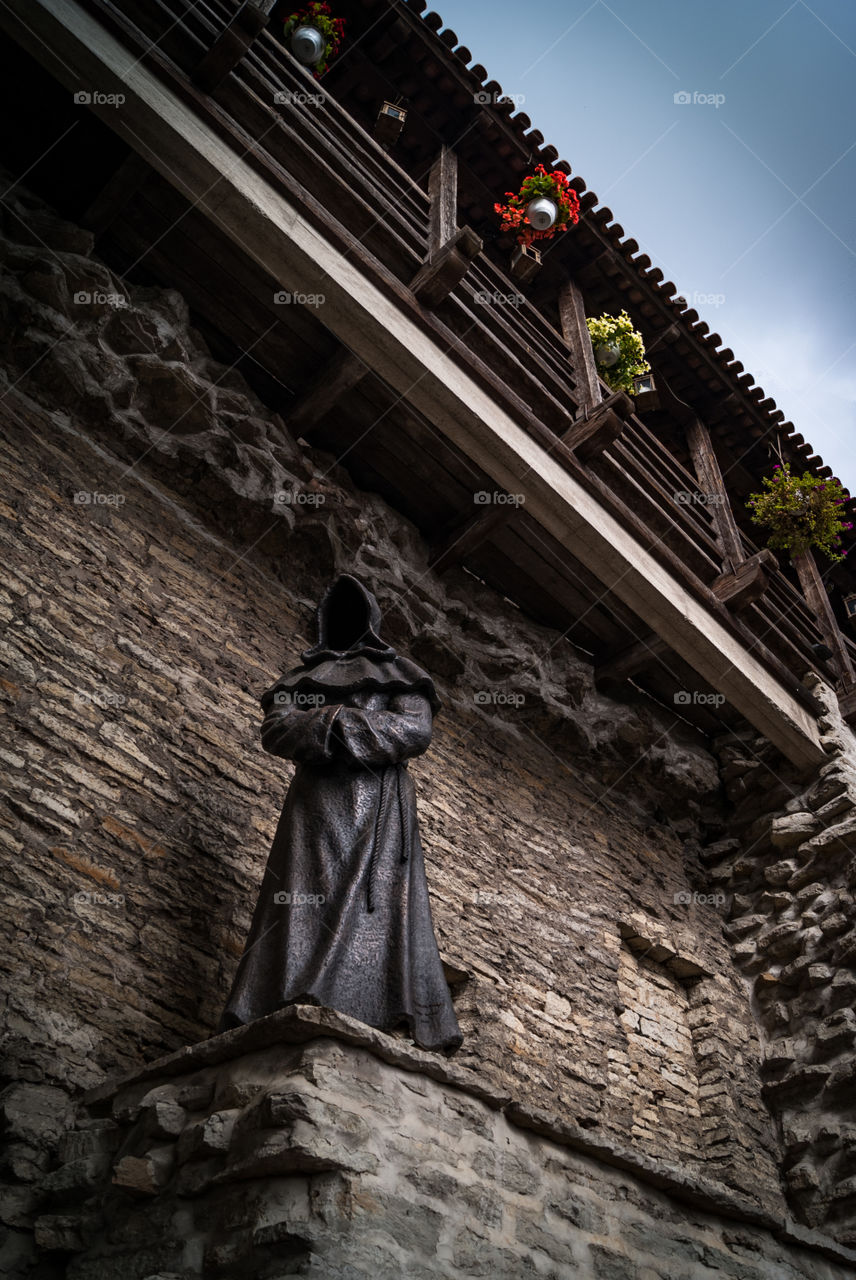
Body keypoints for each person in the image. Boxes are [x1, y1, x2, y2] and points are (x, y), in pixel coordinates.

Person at [219, 573, 462, 1053]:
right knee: (302, 891)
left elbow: (414, 731)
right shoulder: (301, 678)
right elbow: (278, 729)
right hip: (313, 805)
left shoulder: (401, 672)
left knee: (369, 905)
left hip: (376, 808)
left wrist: (335, 723)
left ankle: (357, 997)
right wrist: (337, 723)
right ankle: (287, 991)